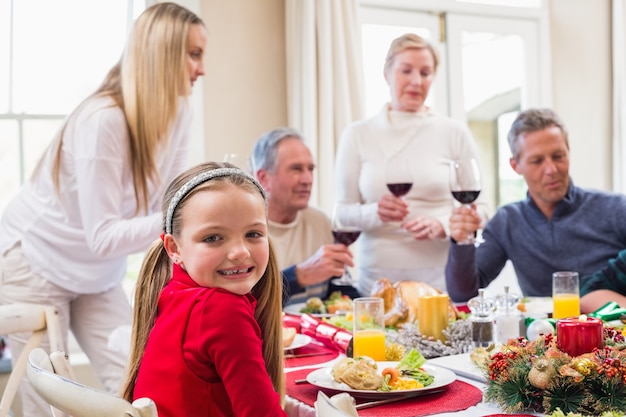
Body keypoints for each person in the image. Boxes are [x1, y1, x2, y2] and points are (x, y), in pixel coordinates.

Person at [0, 3, 207, 415]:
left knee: (140, 379)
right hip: (35, 261)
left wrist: (195, 211)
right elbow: (104, 236)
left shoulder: (179, 112)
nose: (201, 69)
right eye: (194, 54)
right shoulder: (104, 120)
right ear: (162, 55)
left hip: (97, 273)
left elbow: (175, 197)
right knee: (49, 398)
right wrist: (187, 221)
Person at [121, 162, 287, 416]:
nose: (240, 252)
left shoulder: (174, 292)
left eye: (253, 234)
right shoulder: (222, 310)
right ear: (174, 248)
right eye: (213, 238)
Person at [334, 33, 489, 297]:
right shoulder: (358, 134)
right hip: (377, 283)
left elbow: (483, 211)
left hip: (440, 284)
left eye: (426, 73)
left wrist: (443, 224)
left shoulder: (454, 132)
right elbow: (342, 213)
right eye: (406, 70)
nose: (416, 81)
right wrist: (375, 212)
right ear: (387, 73)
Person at [445, 108, 626, 302]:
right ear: (516, 166)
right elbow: (463, 293)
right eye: (537, 161)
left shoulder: (614, 209)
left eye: (558, 156)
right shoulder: (508, 220)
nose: (551, 169)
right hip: (540, 331)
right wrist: (462, 242)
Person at [251, 127, 358, 305]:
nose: (307, 179)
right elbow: (247, 299)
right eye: (296, 169)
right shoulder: (246, 230)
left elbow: (341, 292)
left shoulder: (321, 222)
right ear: (263, 178)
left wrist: (372, 309)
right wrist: (297, 277)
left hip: (316, 331)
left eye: (310, 169)